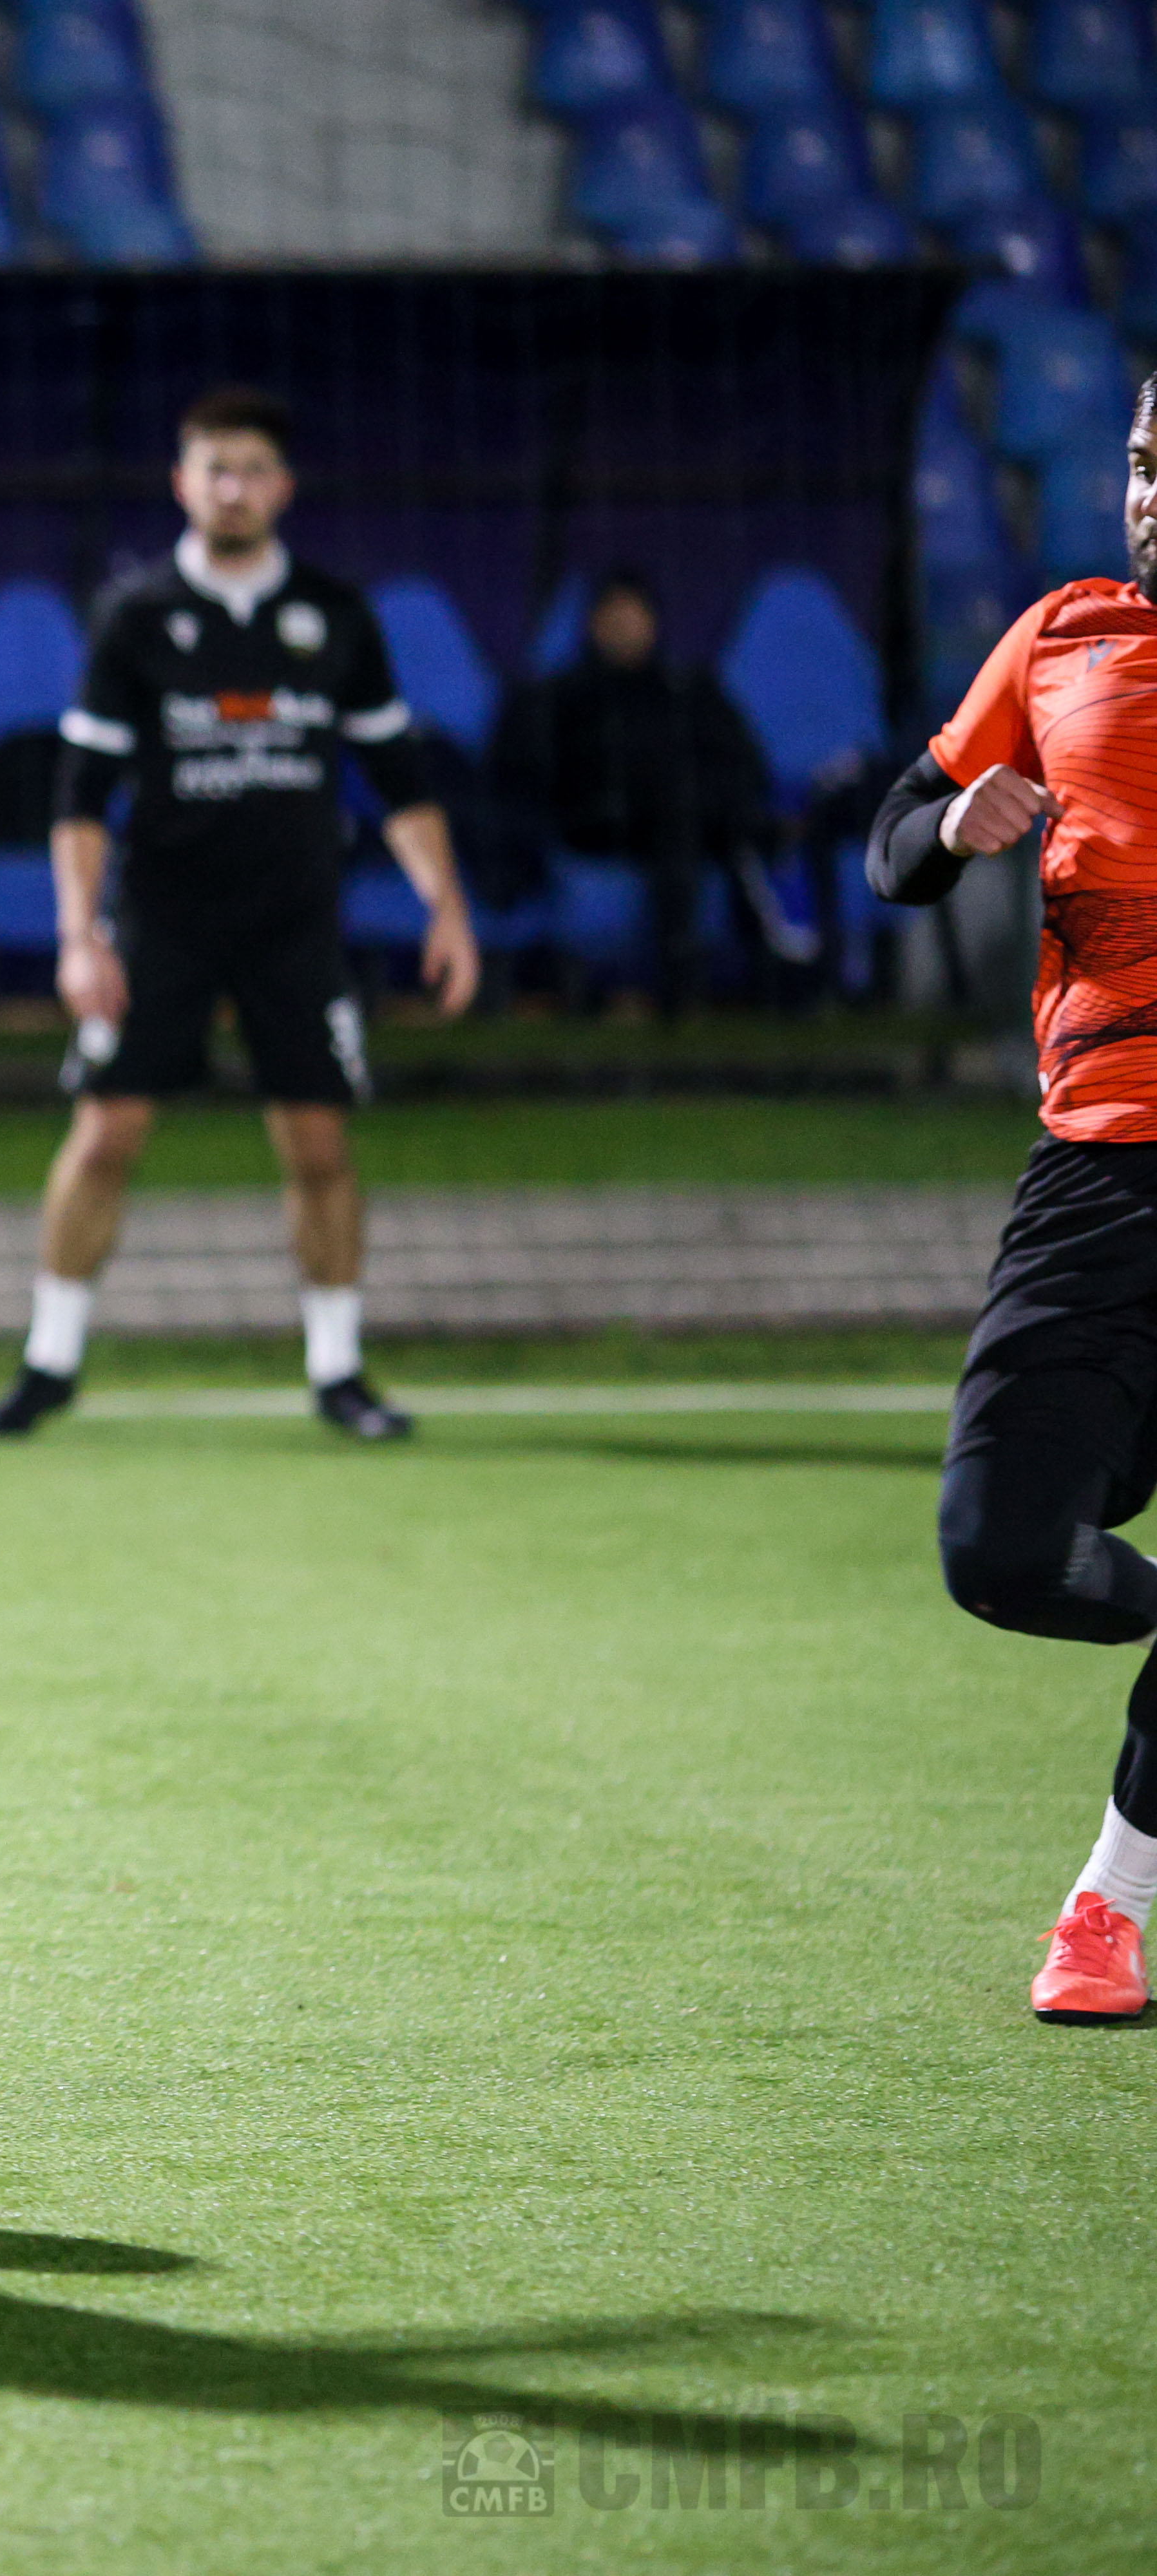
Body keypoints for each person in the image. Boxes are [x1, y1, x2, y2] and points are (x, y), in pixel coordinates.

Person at [0, 384, 478, 1444]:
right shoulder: (136, 616)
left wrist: (446, 908)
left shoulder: (335, 615)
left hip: (296, 921)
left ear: (283, 488)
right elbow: (80, 795)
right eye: (216, 469)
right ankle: (48, 1362)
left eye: (253, 471)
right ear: (182, 482)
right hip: (164, 921)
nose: (234, 489)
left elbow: (399, 778)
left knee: (319, 1142)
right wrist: (79, 935)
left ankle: (338, 1371)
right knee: (105, 1130)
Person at [868, 373, 1157, 2025]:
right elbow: (891, 839)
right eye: (1139, 462)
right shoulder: (1063, 635)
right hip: (1099, 1174)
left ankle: (1110, 1905)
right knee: (998, 1551)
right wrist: (952, 824)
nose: (1147, 494)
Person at [489, 569, 772, 1010]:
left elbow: (743, 765)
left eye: (633, 615)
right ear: (593, 624)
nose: (623, 627)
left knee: (690, 811)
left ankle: (721, 969)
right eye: (612, 616)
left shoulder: (686, 688)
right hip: (594, 824)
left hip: (683, 827)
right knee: (679, 809)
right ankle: (686, 975)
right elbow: (520, 772)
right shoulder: (562, 694)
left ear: (653, 622)